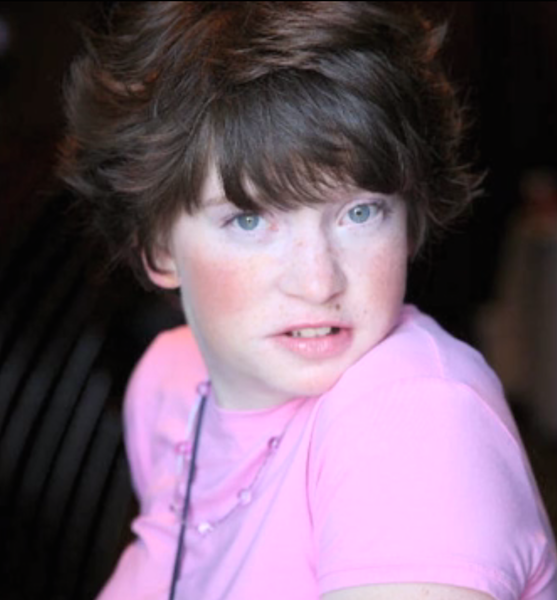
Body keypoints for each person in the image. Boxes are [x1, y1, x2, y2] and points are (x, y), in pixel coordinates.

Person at [59, 2, 557, 599]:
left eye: (360, 212)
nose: (320, 283)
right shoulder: (169, 385)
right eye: (250, 221)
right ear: (157, 247)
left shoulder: (416, 417)